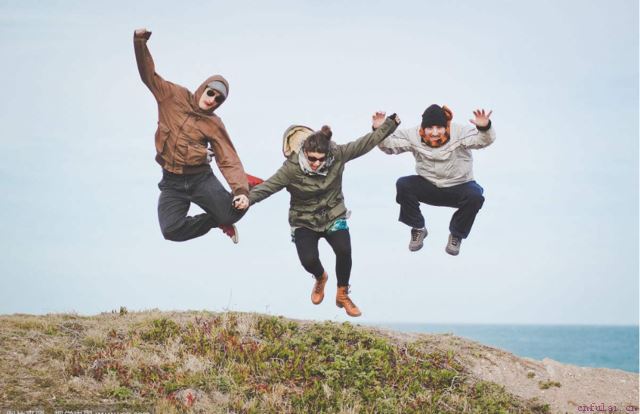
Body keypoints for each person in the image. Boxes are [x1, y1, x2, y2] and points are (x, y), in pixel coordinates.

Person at [235, 112, 401, 317]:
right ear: (304, 152)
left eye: (320, 159)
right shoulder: (291, 169)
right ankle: (321, 277)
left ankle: (342, 294)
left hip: (333, 214)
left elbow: (366, 143)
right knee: (309, 260)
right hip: (303, 219)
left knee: (344, 250)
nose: (315, 163)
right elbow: (268, 186)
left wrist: (390, 123)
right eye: (312, 158)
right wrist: (248, 199)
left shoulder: (338, 154)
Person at [133, 28, 261, 243]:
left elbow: (227, 157)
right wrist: (140, 41)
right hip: (172, 181)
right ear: (203, 89)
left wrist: (240, 191)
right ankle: (215, 221)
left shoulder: (214, 123)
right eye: (210, 93)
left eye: (218, 99)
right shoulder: (172, 96)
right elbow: (149, 76)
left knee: (231, 213)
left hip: (199, 178)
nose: (211, 100)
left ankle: (247, 187)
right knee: (171, 230)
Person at [378, 104, 495, 255]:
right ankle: (418, 227)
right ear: (423, 128)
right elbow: (389, 145)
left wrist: (484, 127)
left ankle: (456, 235)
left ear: (446, 126)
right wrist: (379, 129)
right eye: (429, 128)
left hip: (458, 185)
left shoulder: (459, 132)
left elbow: (483, 140)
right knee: (403, 184)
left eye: (439, 128)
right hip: (429, 185)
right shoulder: (413, 135)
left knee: (475, 195)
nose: (434, 132)